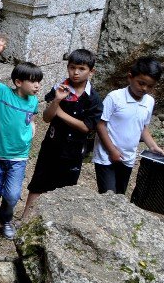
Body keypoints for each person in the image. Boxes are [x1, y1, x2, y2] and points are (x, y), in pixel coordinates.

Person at [21, 49, 102, 217]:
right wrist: (57, 100)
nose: (76, 73)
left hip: (74, 151)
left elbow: (86, 127)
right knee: (39, 183)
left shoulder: (93, 99)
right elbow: (46, 117)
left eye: (81, 69)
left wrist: (61, 113)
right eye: (72, 67)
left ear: (91, 71)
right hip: (52, 145)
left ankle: (55, 222)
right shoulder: (59, 89)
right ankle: (25, 218)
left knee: (65, 189)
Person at [0, 35, 42, 238]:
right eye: (33, 82)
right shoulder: (3, 93)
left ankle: (6, 219)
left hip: (19, 157)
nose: (37, 86)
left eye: (39, 82)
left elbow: (30, 119)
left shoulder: (33, 101)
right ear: (18, 82)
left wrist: (31, 127)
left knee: (13, 195)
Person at [93, 56, 163, 194]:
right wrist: (112, 151)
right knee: (109, 195)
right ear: (130, 77)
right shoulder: (115, 97)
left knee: (119, 195)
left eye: (150, 86)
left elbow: (143, 127)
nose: (144, 88)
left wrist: (153, 146)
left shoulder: (149, 102)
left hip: (128, 157)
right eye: (141, 83)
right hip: (106, 156)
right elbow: (100, 125)